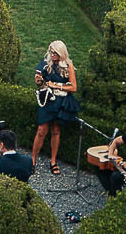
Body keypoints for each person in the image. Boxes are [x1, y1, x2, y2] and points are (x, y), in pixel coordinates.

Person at [32, 40, 79, 175]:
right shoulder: (47, 63)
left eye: (54, 52)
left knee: (56, 130)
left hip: (62, 100)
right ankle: (33, 160)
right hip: (48, 99)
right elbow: (40, 82)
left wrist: (57, 85)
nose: (52, 55)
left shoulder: (68, 65)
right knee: (41, 130)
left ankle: (53, 161)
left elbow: (74, 87)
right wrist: (39, 81)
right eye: (51, 51)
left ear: (61, 53)